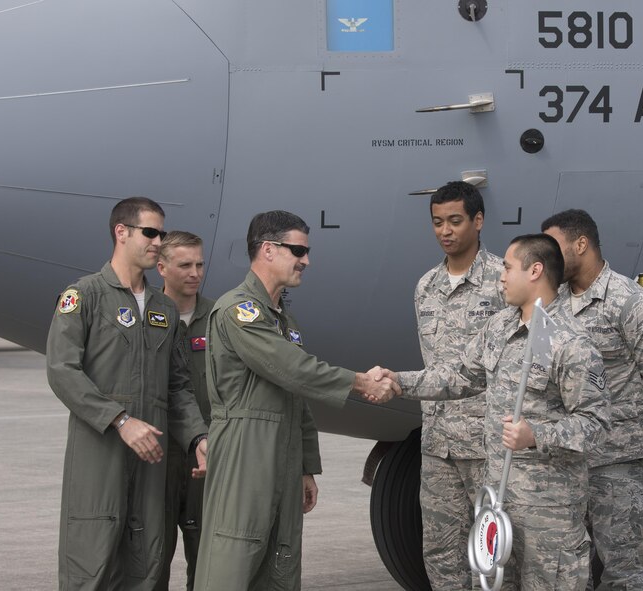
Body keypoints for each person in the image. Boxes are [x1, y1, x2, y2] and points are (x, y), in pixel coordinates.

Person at [374, 233, 610, 590]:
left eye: (508, 267)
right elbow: (458, 377)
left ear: (535, 271)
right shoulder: (499, 328)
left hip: (549, 515)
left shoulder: (570, 340)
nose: (500, 276)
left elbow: (596, 423)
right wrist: (397, 382)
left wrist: (537, 435)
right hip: (500, 506)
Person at [192, 210, 399, 591]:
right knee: (235, 553)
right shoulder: (240, 310)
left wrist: (306, 467)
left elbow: (298, 399)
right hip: (245, 448)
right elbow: (292, 369)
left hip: (282, 454)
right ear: (268, 250)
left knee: (281, 557)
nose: (306, 260)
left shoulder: (282, 320)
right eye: (298, 250)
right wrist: (359, 382)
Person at [46, 197, 209, 591]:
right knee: (93, 560)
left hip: (152, 459)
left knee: (148, 563)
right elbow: (62, 371)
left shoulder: (163, 310)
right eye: (150, 233)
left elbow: (177, 386)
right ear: (121, 232)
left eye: (162, 234)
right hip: (99, 453)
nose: (158, 242)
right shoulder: (84, 296)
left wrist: (199, 438)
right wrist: (119, 420)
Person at [542, 209, 643, 591]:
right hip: (571, 456)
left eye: (555, 247)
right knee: (571, 570)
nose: (547, 257)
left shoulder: (631, 302)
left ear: (581, 244)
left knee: (621, 569)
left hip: (620, 457)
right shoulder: (554, 302)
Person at [414, 181, 506, 589]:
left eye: (454, 221)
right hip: (438, 444)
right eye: (437, 223)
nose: (445, 231)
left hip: (488, 443)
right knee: (440, 549)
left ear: (478, 220)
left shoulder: (505, 280)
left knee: (494, 549)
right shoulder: (425, 287)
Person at [155, 231, 214, 591]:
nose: (195, 273)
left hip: (204, 455)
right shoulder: (147, 317)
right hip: (158, 456)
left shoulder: (220, 318)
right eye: (185, 265)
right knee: (151, 558)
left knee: (206, 555)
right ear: (161, 268)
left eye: (200, 264)